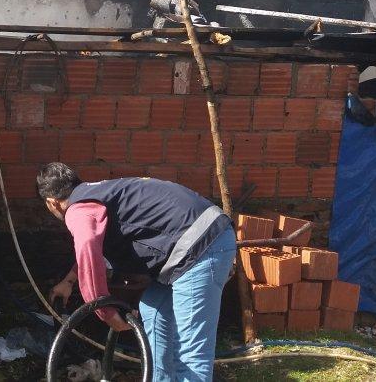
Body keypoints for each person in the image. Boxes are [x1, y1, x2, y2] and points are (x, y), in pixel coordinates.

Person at [38, 163, 237, 382]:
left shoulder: (77, 210)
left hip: (202, 247)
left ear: (51, 202)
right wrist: (69, 280)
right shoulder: (95, 195)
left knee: (190, 354)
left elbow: (87, 245)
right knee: (152, 311)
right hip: (187, 248)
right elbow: (94, 248)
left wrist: (105, 311)